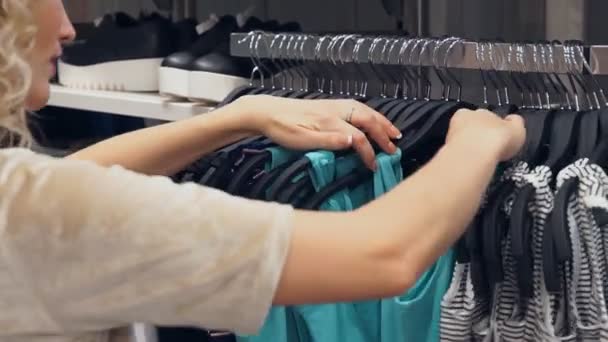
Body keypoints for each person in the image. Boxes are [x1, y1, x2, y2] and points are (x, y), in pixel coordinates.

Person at [0, 0, 526, 341]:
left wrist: (240, 116)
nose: (70, 27)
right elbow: (383, 253)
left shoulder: (21, 203)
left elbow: (70, 183)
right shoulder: (29, 218)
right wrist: (477, 141)